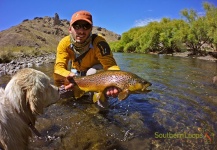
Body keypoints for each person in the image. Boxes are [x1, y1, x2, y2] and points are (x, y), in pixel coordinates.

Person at [53, 10, 120, 106]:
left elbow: (111, 66)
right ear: (70, 29)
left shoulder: (99, 42)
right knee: (61, 96)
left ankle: (101, 107)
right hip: (76, 75)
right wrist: (67, 76)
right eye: (77, 26)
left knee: (92, 74)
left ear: (91, 29)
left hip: (95, 74)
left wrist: (115, 83)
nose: (81, 31)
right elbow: (59, 68)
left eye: (86, 26)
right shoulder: (64, 43)